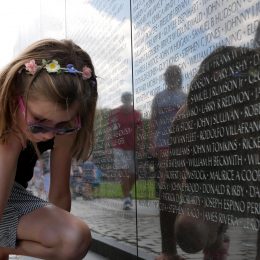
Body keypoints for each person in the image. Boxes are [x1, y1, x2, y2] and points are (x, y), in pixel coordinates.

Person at [0, 38, 98, 259]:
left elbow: (60, 194)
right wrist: (12, 143)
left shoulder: (61, 124)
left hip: (11, 193)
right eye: (38, 120)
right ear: (17, 96)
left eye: (63, 125)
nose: (48, 133)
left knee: (74, 238)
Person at [150, 65, 187, 260]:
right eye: (170, 75)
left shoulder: (184, 96)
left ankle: (174, 208)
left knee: (176, 181)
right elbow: (154, 120)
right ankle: (170, 210)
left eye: (174, 75)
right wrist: (152, 141)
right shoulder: (159, 97)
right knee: (168, 183)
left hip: (178, 143)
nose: (172, 77)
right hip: (164, 142)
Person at [108, 92, 142, 210]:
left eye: (129, 99)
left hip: (131, 147)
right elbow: (109, 130)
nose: (127, 101)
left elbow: (140, 131)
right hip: (118, 146)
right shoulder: (115, 113)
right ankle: (127, 199)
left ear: (131, 100)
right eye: (125, 99)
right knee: (124, 172)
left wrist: (141, 145)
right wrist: (108, 145)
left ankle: (128, 192)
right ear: (122, 100)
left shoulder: (137, 114)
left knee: (134, 175)